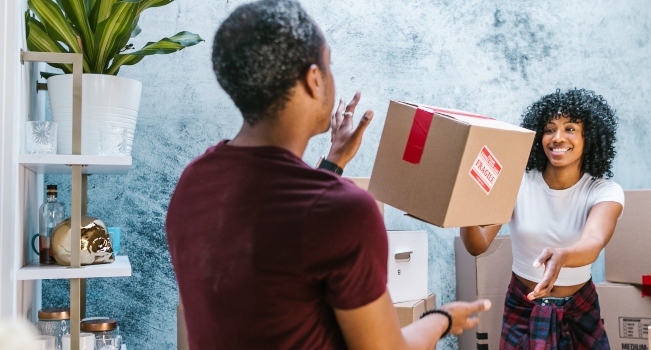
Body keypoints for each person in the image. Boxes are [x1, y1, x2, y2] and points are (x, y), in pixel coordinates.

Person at [165, 1, 489, 349]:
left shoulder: (193, 183)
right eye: (329, 64)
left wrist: (332, 165)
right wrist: (441, 320)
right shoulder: (343, 213)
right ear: (314, 79)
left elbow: (274, 270)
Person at [460, 89, 624, 349]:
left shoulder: (604, 191)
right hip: (523, 307)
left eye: (570, 128)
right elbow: (477, 244)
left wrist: (563, 257)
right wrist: (463, 208)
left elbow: (594, 241)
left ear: (588, 136)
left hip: (579, 310)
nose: (557, 138)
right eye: (549, 129)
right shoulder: (515, 182)